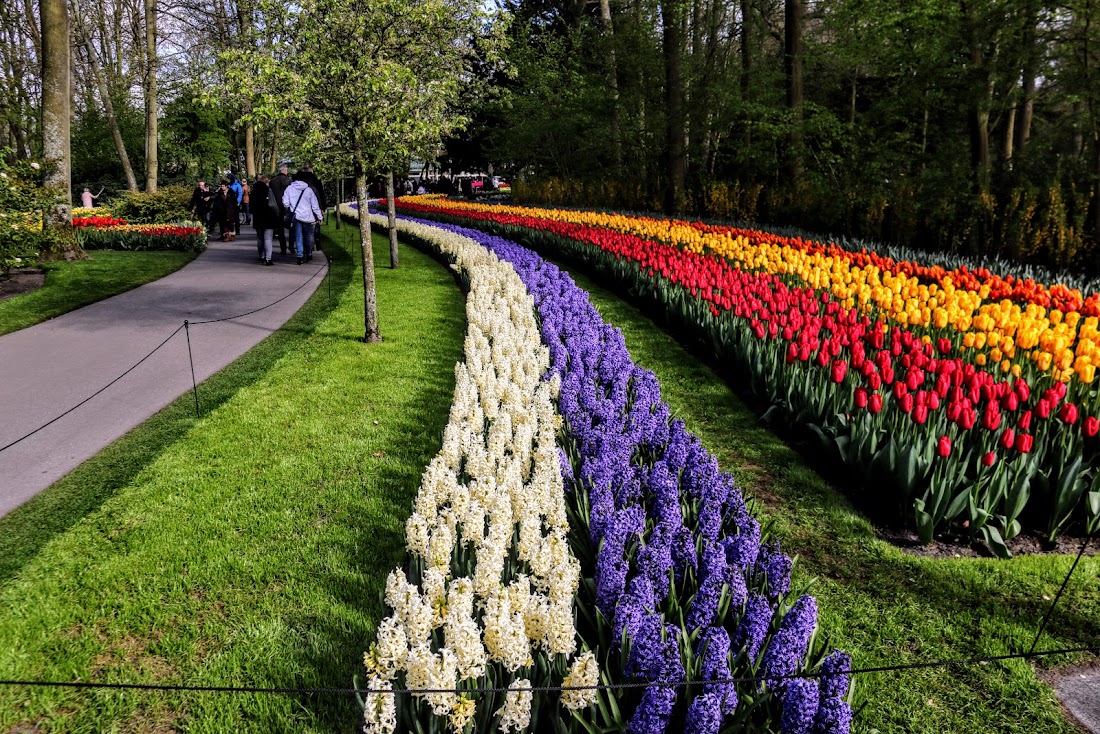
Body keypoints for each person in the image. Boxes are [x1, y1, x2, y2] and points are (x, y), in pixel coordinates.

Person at [282, 171, 322, 265]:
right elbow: (314, 205)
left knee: (298, 236)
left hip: (295, 216)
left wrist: (290, 208)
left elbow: (285, 203)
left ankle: (300, 255)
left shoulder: (289, 188)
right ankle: (308, 253)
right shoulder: (308, 189)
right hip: (307, 216)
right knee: (307, 235)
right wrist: (319, 216)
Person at [251, 174, 278, 265]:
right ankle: (268, 258)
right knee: (268, 238)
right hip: (268, 217)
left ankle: (261, 256)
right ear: (266, 182)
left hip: (258, 217)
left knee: (260, 238)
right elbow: (273, 205)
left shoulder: (253, 191)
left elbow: (251, 206)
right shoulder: (268, 191)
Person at [269, 165, 293, 255]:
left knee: (280, 229)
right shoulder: (289, 180)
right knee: (291, 227)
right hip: (287, 206)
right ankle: (291, 247)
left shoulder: (273, 181)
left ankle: (283, 248)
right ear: (284, 170)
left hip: (276, 206)